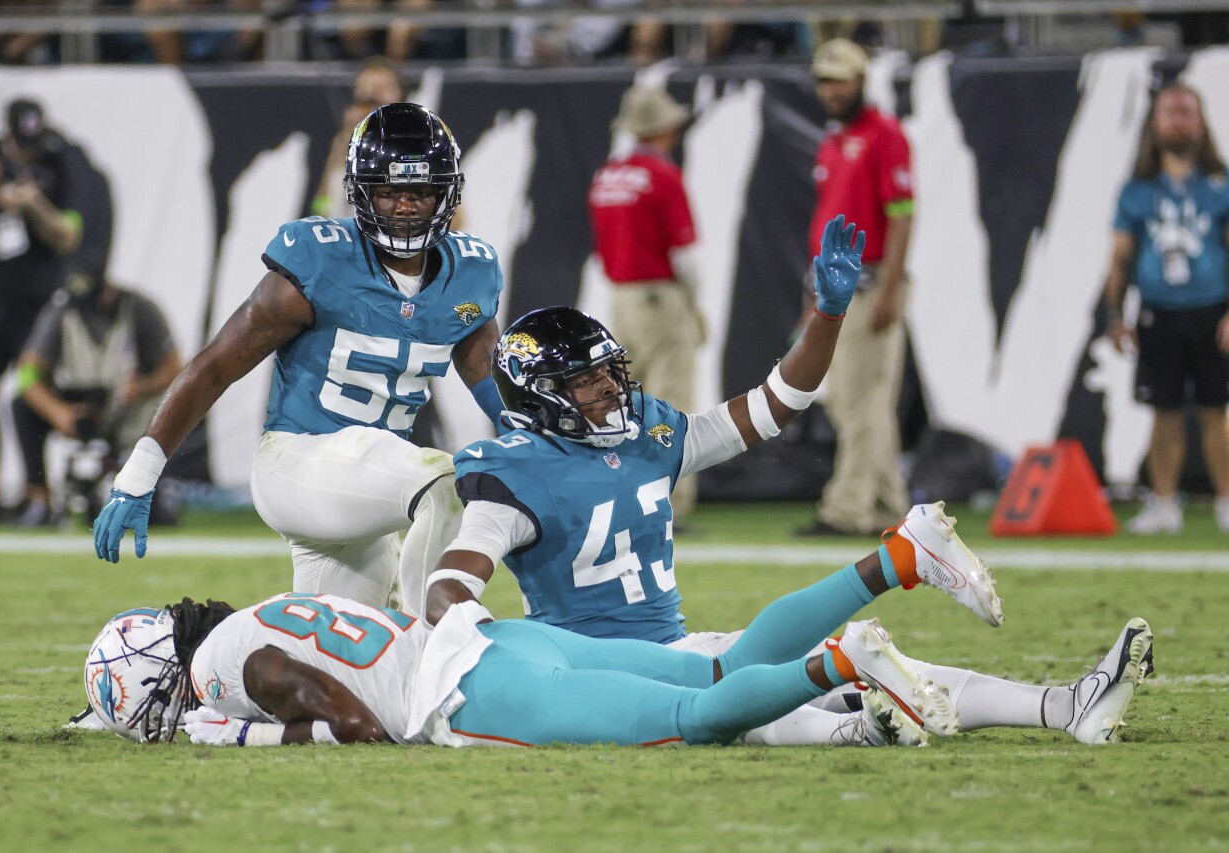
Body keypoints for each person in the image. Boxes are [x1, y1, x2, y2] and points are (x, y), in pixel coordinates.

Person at [421, 219, 1152, 746]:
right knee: (780, 702)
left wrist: (828, 316)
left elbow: (775, 405)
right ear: (544, 397)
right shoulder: (512, 471)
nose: (612, 391)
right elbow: (456, 579)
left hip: (685, 645)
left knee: (890, 670)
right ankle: (862, 717)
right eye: (586, 382)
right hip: (600, 671)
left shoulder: (647, 433)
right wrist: (466, 631)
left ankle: (1062, 704)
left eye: (610, 372)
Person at [91, 103, 508, 620]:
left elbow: (499, 390)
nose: (404, 206)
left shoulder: (469, 272)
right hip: (298, 462)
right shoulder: (319, 259)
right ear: (359, 191)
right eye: (388, 191)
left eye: (420, 192)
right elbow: (217, 365)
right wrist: (140, 473)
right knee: (447, 481)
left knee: (344, 654)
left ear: (446, 193)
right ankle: (444, 635)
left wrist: (549, 450)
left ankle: (226, 689)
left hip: (365, 488)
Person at [85, 589, 957, 748]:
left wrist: (248, 738)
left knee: (695, 724)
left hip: (471, 691)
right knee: (715, 669)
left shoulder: (228, 671)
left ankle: (840, 660)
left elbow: (354, 726)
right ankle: (888, 562)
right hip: (500, 638)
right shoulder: (255, 613)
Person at [795, 38, 913, 538]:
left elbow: (903, 215)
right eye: (824, 80)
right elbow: (826, 223)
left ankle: (846, 509)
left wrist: (891, 288)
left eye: (840, 79)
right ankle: (888, 505)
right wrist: (812, 294)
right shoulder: (833, 140)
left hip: (870, 285)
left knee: (861, 398)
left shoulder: (885, 135)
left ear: (862, 80)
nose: (831, 89)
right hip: (835, 288)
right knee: (850, 399)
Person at [0, 98, 88, 526]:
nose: (30, 153)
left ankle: (38, 495)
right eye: (22, 144)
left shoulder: (57, 162)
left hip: (35, 309)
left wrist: (34, 205)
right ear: (7, 135)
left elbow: (68, 236)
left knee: (31, 395)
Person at [1104, 82, 1229, 534]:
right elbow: (1119, 258)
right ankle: (1163, 503)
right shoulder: (1137, 190)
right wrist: (1114, 316)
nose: (1178, 120)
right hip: (1159, 312)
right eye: (1170, 112)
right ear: (1154, 124)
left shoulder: (1221, 184)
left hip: (1212, 312)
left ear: (1201, 121)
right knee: (1165, 412)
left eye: (1186, 112)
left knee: (1217, 410)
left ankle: (1226, 502)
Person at [588, 84, 706, 526]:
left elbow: (602, 251)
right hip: (661, 295)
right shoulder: (662, 175)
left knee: (621, 404)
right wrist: (693, 305)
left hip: (620, 300)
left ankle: (625, 497)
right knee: (670, 403)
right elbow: (686, 256)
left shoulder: (606, 175)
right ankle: (669, 504)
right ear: (666, 129)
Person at [11, 273, 182, 527]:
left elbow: (174, 365)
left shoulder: (140, 309)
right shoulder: (60, 309)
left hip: (127, 405)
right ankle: (39, 499)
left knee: (165, 409)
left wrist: (144, 386)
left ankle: (147, 493)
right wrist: (58, 412)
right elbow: (27, 372)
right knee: (22, 406)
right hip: (76, 402)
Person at [313, 61, 404, 221]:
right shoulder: (344, 144)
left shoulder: (416, 144)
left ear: (399, 94)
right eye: (365, 89)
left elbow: (454, 219)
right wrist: (336, 155)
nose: (371, 93)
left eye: (381, 88)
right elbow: (321, 211)